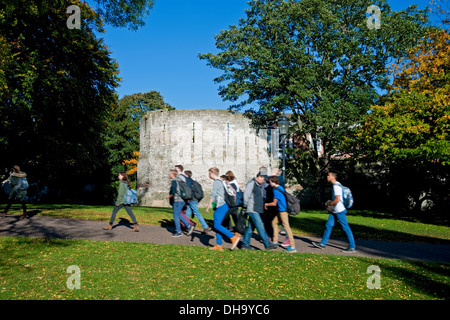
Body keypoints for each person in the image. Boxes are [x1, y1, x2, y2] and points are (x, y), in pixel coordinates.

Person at [312, 172, 356, 253]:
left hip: (339, 210)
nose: (327, 177)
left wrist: (329, 204)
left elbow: (337, 199)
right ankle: (322, 244)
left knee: (346, 228)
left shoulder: (336, 186)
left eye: (328, 175)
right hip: (335, 211)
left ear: (333, 177)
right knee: (328, 225)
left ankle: (352, 247)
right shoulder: (337, 185)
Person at [205, 167, 240, 251]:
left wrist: (208, 205)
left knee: (216, 225)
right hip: (224, 205)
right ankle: (218, 245)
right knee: (218, 224)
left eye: (209, 173)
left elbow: (213, 194)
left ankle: (233, 237)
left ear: (213, 173)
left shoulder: (217, 182)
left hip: (221, 205)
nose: (209, 175)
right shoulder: (222, 182)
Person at [241, 172, 278, 250]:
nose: (264, 181)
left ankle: (245, 244)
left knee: (250, 228)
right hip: (252, 209)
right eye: (263, 178)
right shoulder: (251, 184)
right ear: (258, 177)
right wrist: (246, 206)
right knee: (260, 226)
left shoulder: (259, 185)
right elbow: (246, 195)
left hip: (257, 209)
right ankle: (267, 244)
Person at [265, 176, 297, 253]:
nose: (269, 183)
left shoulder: (276, 190)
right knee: (274, 222)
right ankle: (275, 242)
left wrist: (266, 204)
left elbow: (274, 203)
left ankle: (293, 246)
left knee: (287, 227)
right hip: (281, 211)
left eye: (270, 182)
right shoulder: (280, 187)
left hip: (283, 212)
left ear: (273, 182)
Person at [167, 169, 195, 237]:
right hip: (182, 200)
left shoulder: (174, 181)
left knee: (175, 215)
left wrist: (169, 196)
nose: (169, 175)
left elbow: (173, 192)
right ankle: (189, 226)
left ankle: (179, 231)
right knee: (178, 214)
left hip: (177, 200)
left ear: (172, 175)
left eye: (170, 174)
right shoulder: (180, 180)